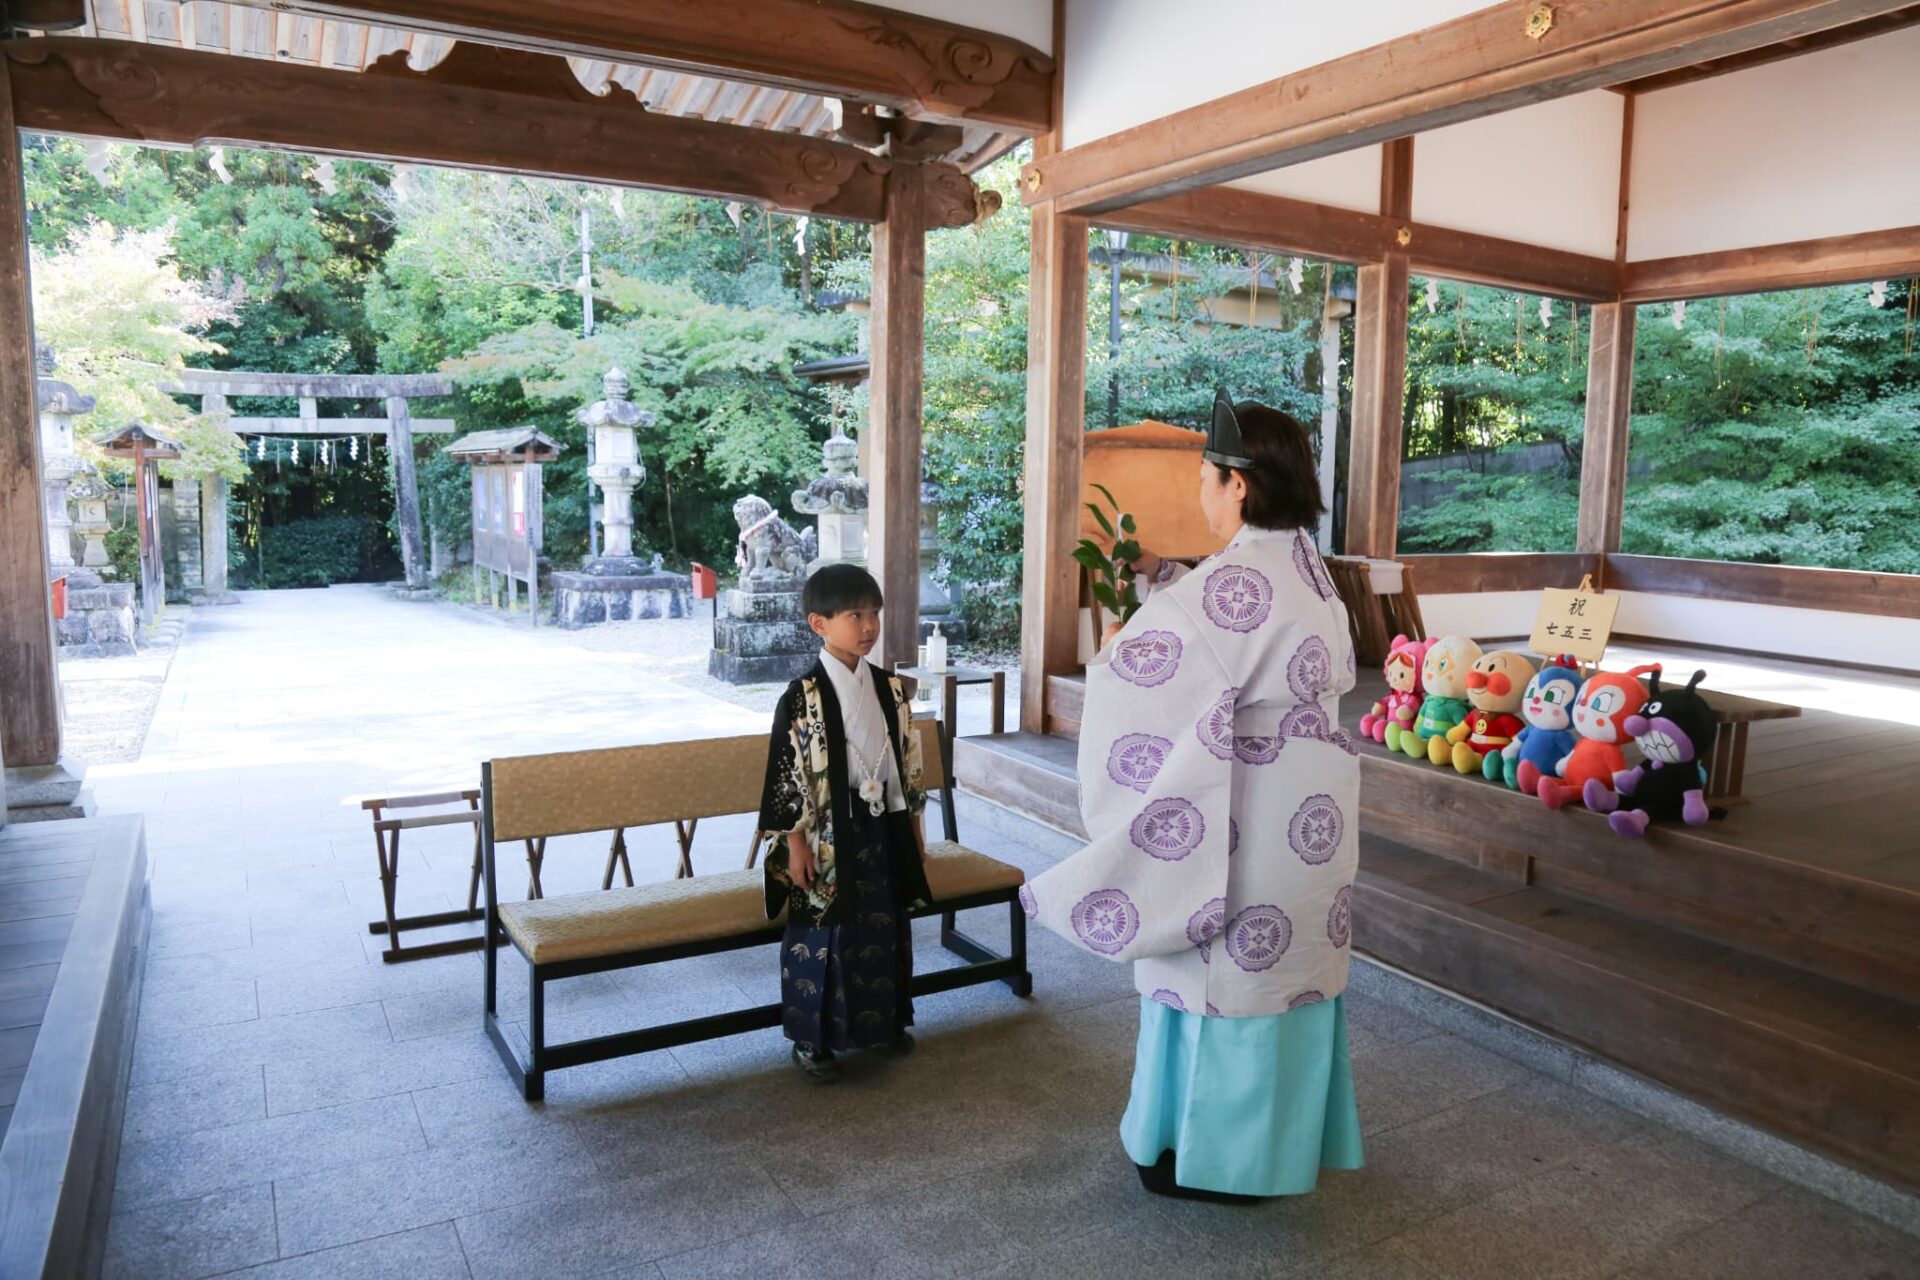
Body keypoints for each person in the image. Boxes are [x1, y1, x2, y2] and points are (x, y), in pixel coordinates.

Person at [1024, 389, 1364, 1200]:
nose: (1201, 492)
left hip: (1241, 810)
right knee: (1285, 974)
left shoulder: (1227, 586)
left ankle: (1204, 1157)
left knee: (1218, 972)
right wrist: (1162, 578)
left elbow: (1164, 664)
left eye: (1206, 477)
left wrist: (1119, 651)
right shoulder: (1310, 568)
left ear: (1237, 484)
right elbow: (1233, 629)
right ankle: (1280, 1150)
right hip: (1311, 811)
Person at [757, 563, 932, 1083]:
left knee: (883, 921)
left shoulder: (891, 689)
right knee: (825, 930)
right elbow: (785, 775)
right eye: (855, 615)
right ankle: (812, 1039)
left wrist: (915, 832)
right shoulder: (801, 696)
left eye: (874, 613)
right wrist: (795, 844)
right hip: (825, 834)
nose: (869, 626)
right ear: (819, 623)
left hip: (883, 823)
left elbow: (907, 762)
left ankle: (884, 1023)